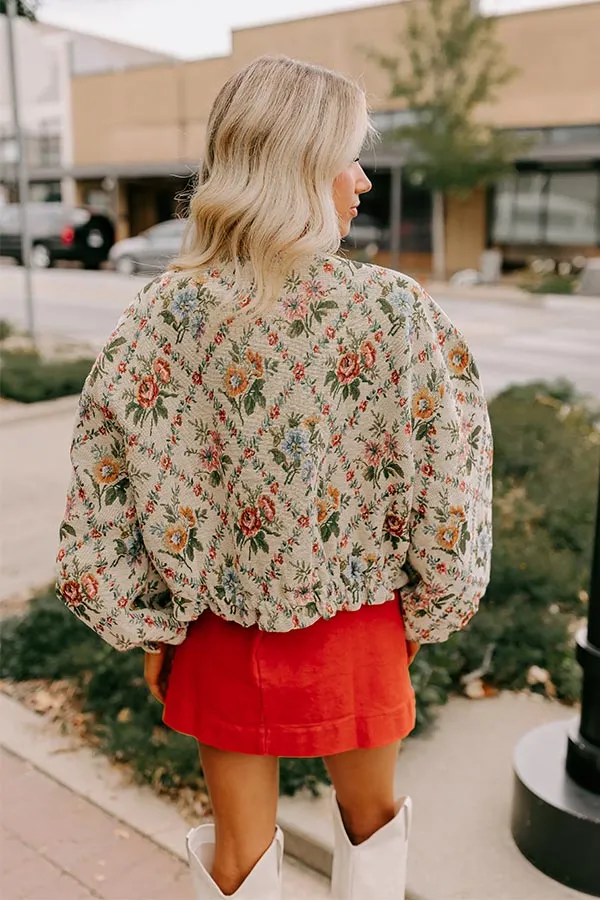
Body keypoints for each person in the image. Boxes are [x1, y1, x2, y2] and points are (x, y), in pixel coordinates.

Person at [56, 55, 493, 900]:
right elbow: (450, 475)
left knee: (239, 859)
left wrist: (149, 624)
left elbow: (105, 485)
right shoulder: (392, 310)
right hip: (362, 622)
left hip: (216, 628)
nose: (362, 180)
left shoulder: (163, 314)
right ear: (293, 163)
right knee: (374, 826)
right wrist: (437, 598)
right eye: (348, 156)